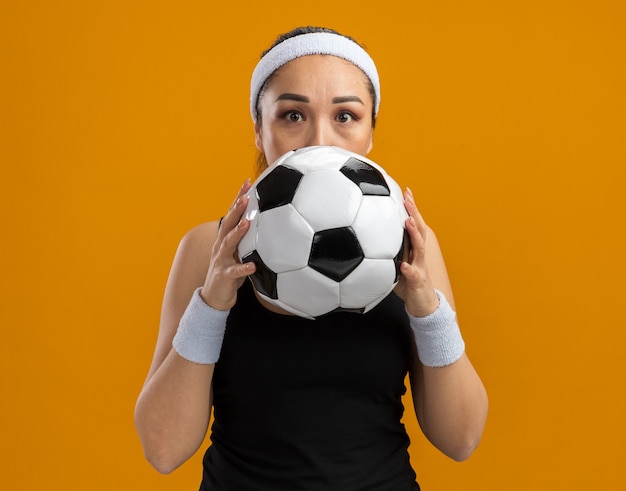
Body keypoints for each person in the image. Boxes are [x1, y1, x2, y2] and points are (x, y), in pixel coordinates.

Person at [134, 26, 488, 490]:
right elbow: (163, 450)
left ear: (370, 134)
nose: (320, 139)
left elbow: (460, 439)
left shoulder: (413, 244)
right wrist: (213, 302)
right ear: (259, 131)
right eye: (293, 115)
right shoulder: (208, 248)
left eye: (345, 116)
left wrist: (426, 307)